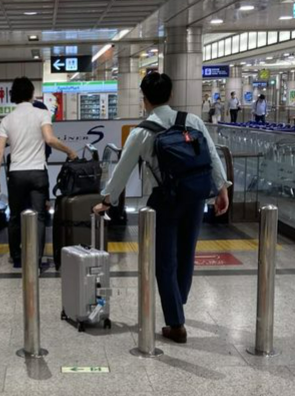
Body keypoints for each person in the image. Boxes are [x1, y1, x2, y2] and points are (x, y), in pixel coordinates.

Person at [93, 72, 229, 343]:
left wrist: (107, 200)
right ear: (171, 95)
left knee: (164, 262)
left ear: (144, 99)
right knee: (186, 254)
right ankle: (178, 301)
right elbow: (212, 155)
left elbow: (122, 171)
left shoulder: (142, 132)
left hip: (164, 201)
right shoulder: (192, 121)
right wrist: (222, 188)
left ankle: (176, 323)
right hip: (195, 197)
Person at [0, 77, 77, 268]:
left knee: (15, 216)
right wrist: (70, 152)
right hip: (38, 172)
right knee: (39, 216)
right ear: (32, 94)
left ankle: (16, 257)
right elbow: (50, 139)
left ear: (14, 95)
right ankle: (36, 261)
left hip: (16, 174)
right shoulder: (41, 114)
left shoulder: (7, 120)